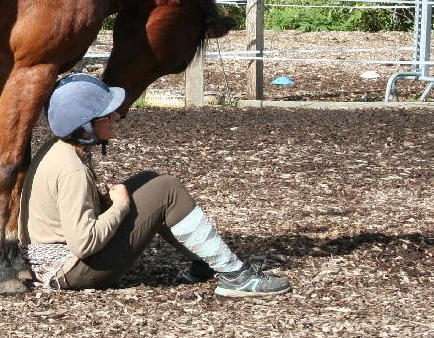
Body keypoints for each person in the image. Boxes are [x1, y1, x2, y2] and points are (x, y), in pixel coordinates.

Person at [18, 73, 291, 297]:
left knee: (149, 180)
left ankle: (206, 261)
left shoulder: (59, 150)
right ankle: (234, 275)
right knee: (167, 189)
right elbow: (84, 243)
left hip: (54, 263)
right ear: (86, 126)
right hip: (71, 271)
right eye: (108, 114)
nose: (117, 118)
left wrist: (103, 203)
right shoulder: (72, 169)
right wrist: (120, 207)